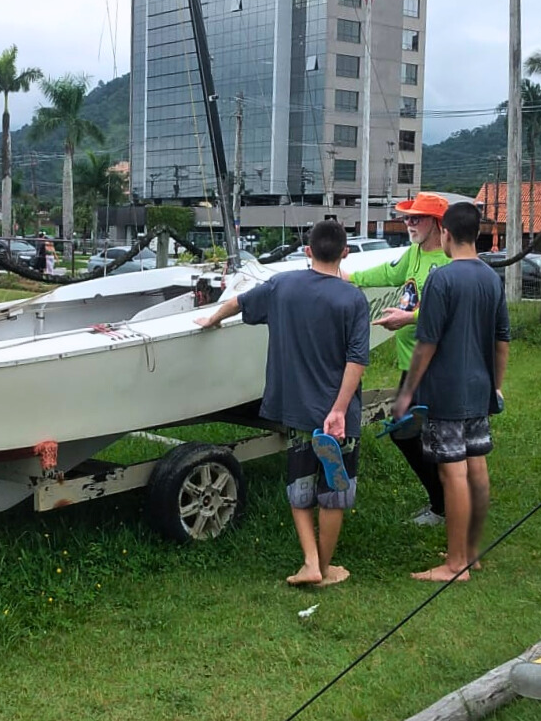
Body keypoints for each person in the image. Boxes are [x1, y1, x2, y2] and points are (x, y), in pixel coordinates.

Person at [196, 219, 371, 587]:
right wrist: (339, 410)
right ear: (345, 253)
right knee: (334, 492)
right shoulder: (353, 299)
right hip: (338, 416)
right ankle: (325, 568)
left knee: (300, 485)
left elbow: (238, 303)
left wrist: (211, 319)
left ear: (307, 251)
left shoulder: (283, 286)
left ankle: (310, 562)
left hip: (298, 409)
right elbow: (356, 359)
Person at [393, 202, 510, 582]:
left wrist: (407, 392)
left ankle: (456, 564)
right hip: (479, 389)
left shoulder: (441, 279)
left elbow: (426, 343)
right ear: (476, 234)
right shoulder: (491, 278)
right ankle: (471, 552)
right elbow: (502, 341)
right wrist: (496, 385)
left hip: (446, 391)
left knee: (453, 473)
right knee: (477, 467)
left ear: (445, 233)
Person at [344, 192, 451, 527]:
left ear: (437, 223)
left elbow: (449, 312)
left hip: (435, 365)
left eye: (416, 218)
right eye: (406, 218)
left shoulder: (450, 262)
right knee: (409, 432)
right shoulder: (415, 253)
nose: (408, 224)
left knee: (413, 432)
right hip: (411, 363)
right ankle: (446, 500)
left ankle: (444, 505)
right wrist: (348, 277)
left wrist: (409, 318)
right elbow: (388, 273)